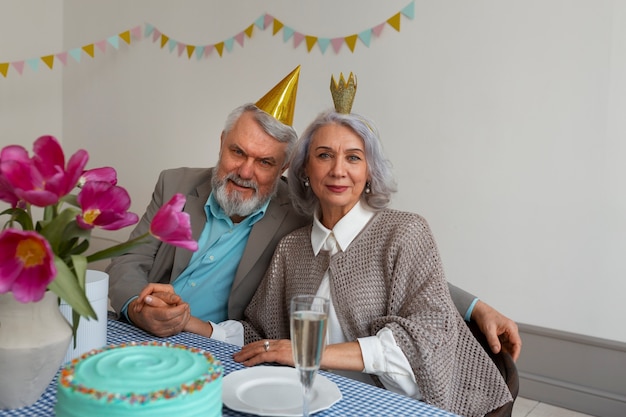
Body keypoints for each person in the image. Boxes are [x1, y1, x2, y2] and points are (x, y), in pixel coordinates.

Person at [109, 67, 521, 362]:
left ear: (286, 168)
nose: (246, 171)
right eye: (238, 152)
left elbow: (384, 258)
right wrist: (136, 308)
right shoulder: (175, 184)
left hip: (215, 348)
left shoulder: (300, 217)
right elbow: (129, 260)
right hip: (136, 329)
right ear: (222, 143)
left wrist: (475, 306)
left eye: (265, 162)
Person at [228, 73, 512, 416]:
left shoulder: (405, 232)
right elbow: (261, 335)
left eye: (353, 157)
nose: (338, 170)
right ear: (304, 170)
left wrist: (309, 353)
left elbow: (426, 343)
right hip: (317, 401)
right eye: (323, 155)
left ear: (370, 171)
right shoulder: (292, 248)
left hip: (402, 405)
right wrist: (190, 324)